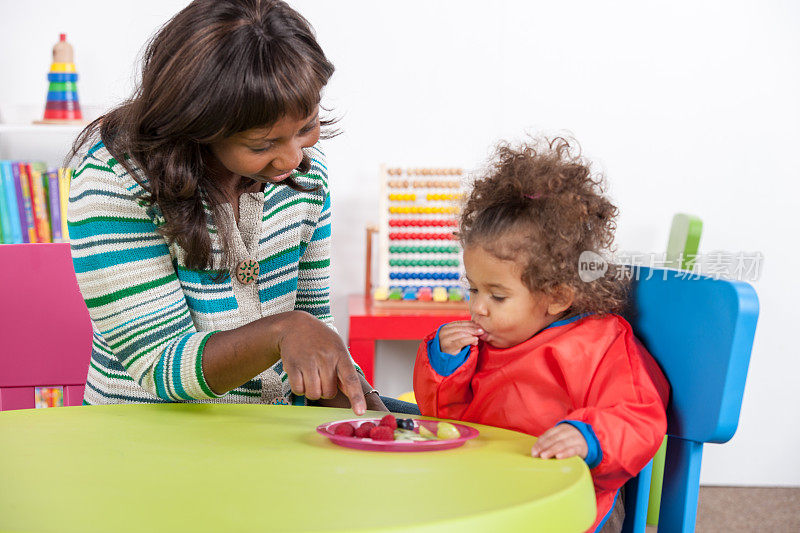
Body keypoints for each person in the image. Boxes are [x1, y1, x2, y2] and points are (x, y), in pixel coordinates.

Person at [68, 0, 418, 415]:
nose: (292, 159)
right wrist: (283, 330)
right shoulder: (113, 181)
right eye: (262, 144)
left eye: (306, 127)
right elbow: (160, 365)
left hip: (268, 429)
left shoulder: (305, 175)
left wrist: (363, 409)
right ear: (198, 127)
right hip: (148, 439)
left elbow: (315, 331)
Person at [412, 137, 669, 532]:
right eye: (474, 289)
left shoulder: (601, 344)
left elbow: (637, 416)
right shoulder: (487, 341)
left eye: (497, 295)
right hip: (485, 487)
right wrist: (445, 365)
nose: (478, 307)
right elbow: (446, 421)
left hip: (566, 498)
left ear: (557, 296)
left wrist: (587, 438)